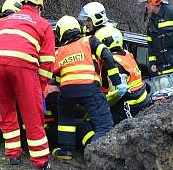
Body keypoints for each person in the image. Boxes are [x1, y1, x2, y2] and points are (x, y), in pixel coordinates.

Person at [0, 0, 55, 169]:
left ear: (22, 3)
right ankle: (41, 160)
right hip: (22, 64)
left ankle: (13, 155)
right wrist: (40, 87)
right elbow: (47, 61)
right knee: (32, 112)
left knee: (7, 109)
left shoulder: (5, 21)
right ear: (39, 7)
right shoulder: (43, 24)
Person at [52, 16, 125, 161]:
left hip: (67, 91)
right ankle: (98, 155)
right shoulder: (89, 41)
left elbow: (58, 77)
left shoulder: (58, 52)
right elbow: (107, 56)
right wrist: (116, 80)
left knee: (65, 118)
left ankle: (66, 150)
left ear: (60, 33)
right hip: (89, 88)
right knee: (104, 124)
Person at [94, 25, 151, 123]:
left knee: (101, 122)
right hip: (142, 98)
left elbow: (115, 93)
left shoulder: (112, 63)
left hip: (129, 104)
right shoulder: (126, 54)